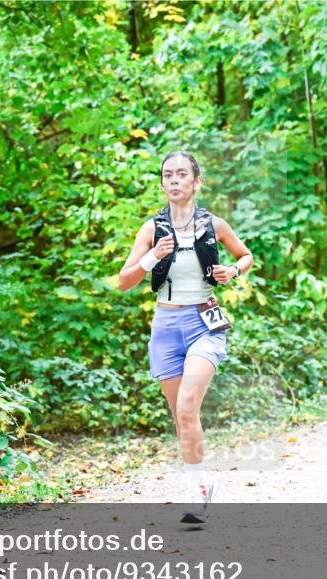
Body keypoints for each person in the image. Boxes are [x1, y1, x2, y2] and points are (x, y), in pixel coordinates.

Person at [118, 151, 253, 524]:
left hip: (202, 323)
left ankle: (194, 495)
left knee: (188, 406)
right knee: (182, 416)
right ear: (162, 184)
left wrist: (232, 271)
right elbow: (124, 281)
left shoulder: (214, 224)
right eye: (168, 175)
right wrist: (150, 258)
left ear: (197, 182)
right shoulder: (151, 229)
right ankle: (203, 483)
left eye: (182, 174)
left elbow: (246, 257)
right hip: (164, 327)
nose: (174, 180)